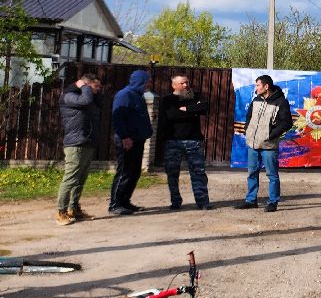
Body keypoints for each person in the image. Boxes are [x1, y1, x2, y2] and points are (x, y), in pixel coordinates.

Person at [236, 74, 294, 212]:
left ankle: (273, 202)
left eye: (258, 85)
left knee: (272, 175)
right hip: (253, 145)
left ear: (266, 86)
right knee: (252, 173)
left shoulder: (281, 102)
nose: (256, 88)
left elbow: (287, 122)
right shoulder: (256, 100)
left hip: (269, 146)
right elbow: (249, 117)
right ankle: (251, 200)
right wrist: (248, 130)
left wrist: (271, 135)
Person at [157, 74, 211, 210]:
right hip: (173, 141)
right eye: (182, 83)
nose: (186, 85)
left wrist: (187, 109)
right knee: (172, 173)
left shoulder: (195, 96)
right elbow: (171, 115)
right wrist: (193, 111)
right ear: (174, 85)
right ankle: (175, 201)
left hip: (193, 140)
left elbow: (205, 107)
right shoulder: (168, 100)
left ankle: (203, 202)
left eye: (187, 82)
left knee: (198, 172)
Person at [55, 73, 101, 225]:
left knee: (81, 179)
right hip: (75, 144)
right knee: (70, 178)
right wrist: (84, 87)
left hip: (87, 142)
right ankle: (60, 212)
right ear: (85, 85)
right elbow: (85, 100)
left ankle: (73, 209)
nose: (98, 90)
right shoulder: (69, 96)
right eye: (96, 86)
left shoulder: (88, 98)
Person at [109, 69, 152, 216]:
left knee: (134, 172)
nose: (149, 83)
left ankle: (125, 201)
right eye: (147, 80)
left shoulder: (137, 96)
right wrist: (125, 137)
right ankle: (115, 204)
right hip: (127, 140)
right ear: (140, 81)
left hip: (137, 140)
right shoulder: (125, 95)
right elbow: (118, 118)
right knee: (124, 172)